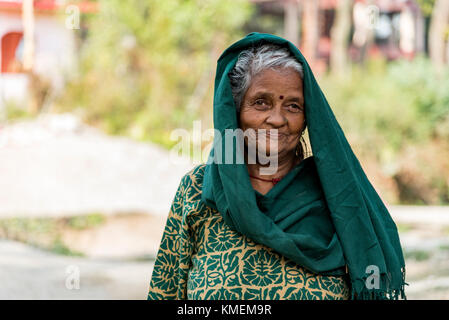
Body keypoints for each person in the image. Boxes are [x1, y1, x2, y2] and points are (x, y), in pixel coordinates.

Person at [147, 32, 406, 300]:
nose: (277, 119)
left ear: (308, 118)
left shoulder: (337, 195)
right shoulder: (198, 189)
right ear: (235, 111)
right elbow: (165, 293)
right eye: (261, 102)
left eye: (293, 106)